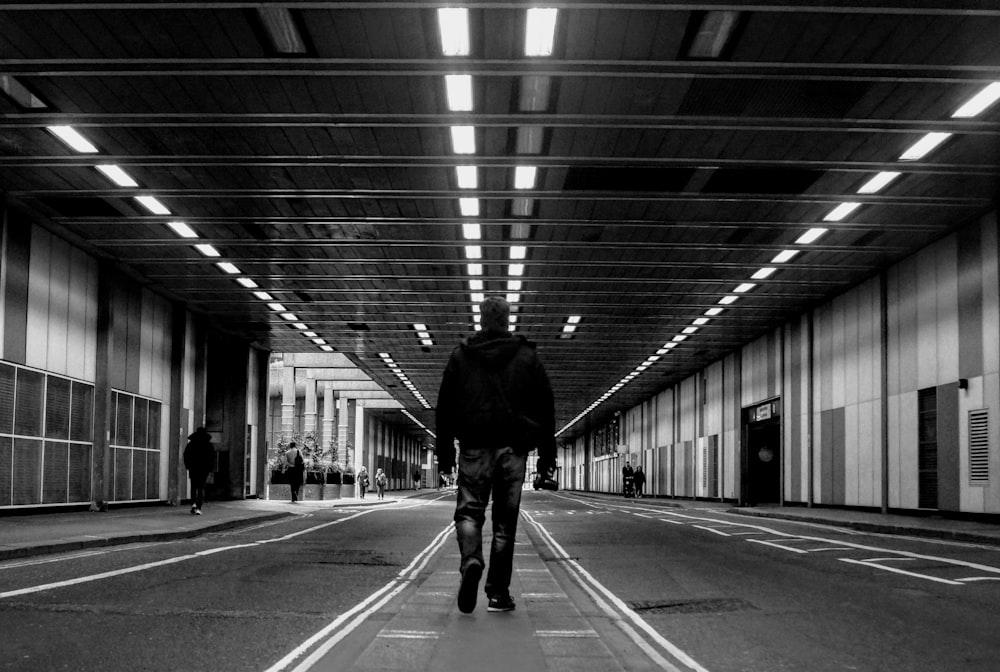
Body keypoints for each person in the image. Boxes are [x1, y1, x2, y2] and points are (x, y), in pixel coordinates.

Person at [436, 296, 556, 614]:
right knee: (505, 525)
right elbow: (546, 408)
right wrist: (547, 459)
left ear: (481, 319)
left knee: (468, 514)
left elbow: (445, 409)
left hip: (474, 447)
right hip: (513, 451)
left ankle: (472, 561)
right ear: (507, 321)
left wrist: (445, 455)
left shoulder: (461, 357)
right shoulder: (528, 358)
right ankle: (498, 594)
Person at [183, 427, 214, 515]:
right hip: (204, 469)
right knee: (201, 487)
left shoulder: (191, 444)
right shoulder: (209, 445)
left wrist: (188, 466)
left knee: (193, 486)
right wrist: (209, 468)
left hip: (193, 468)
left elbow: (186, 455)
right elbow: (212, 458)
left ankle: (193, 503)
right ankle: (199, 507)